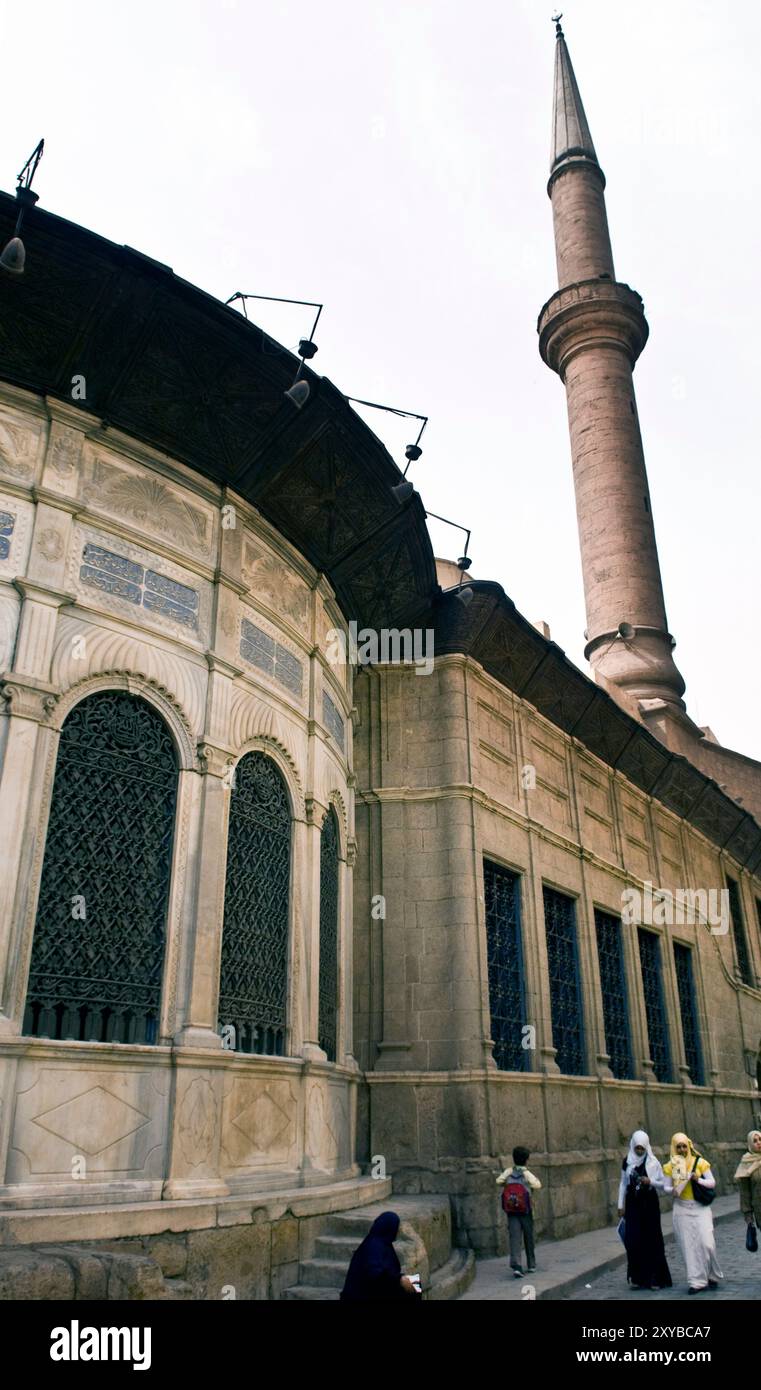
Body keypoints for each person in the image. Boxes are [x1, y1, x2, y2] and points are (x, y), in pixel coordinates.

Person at [662, 1132, 723, 1294]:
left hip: (700, 1208)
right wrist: (673, 1189)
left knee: (706, 1243)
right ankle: (697, 1281)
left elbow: (712, 1183)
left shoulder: (700, 1162)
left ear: (689, 1146)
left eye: (684, 1146)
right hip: (681, 1208)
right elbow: (666, 1187)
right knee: (689, 1247)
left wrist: (698, 1179)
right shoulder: (671, 1166)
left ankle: (713, 1275)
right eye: (678, 1147)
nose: (682, 1150)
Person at [616, 1129, 671, 1290]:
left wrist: (650, 1181)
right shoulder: (627, 1162)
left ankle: (654, 1278)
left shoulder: (653, 1163)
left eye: (642, 1148)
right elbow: (623, 1184)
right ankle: (637, 1277)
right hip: (633, 1205)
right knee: (633, 1240)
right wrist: (620, 1205)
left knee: (651, 1240)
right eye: (637, 1148)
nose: (639, 1151)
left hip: (649, 1206)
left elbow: (664, 1185)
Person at [340, 1211, 421, 1302]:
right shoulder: (373, 1246)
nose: (397, 1230)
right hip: (362, 1294)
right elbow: (374, 1274)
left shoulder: (382, 1242)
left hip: (374, 1288)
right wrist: (399, 1279)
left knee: (415, 1284)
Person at [496, 1145, 542, 1278]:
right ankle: (531, 1264)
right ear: (526, 1160)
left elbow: (498, 1181)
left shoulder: (509, 1171)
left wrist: (508, 1185)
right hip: (526, 1210)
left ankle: (517, 1265)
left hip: (511, 1210)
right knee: (528, 1237)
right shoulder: (527, 1173)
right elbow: (537, 1185)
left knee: (514, 1238)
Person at [734, 1129, 761, 1232]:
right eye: (755, 1141)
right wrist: (749, 1218)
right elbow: (745, 1193)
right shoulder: (746, 1163)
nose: (758, 1142)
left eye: (760, 1139)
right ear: (750, 1144)